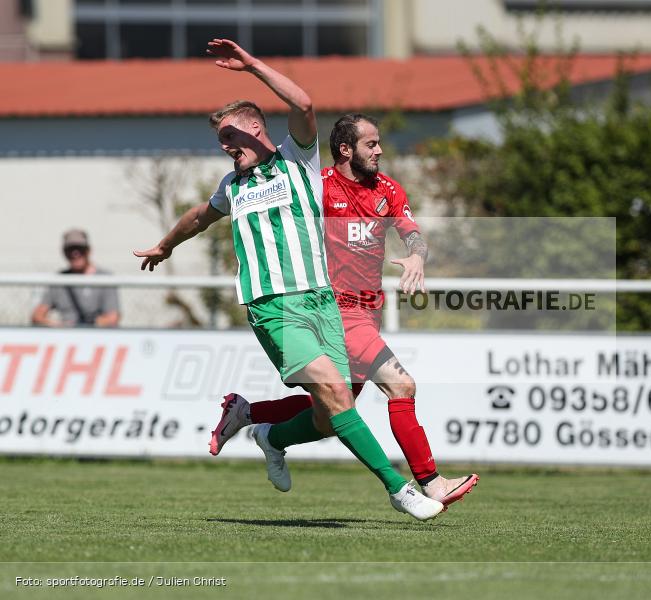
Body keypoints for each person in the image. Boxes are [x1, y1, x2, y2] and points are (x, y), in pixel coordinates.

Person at [133, 38, 444, 521]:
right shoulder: (232, 186)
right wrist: (166, 244)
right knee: (338, 395)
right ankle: (399, 489)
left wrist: (253, 66)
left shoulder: (297, 161)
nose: (223, 146)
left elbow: (303, 103)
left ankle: (267, 435)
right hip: (275, 305)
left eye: (230, 136)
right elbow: (199, 217)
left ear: (256, 129)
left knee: (326, 417)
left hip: (322, 303)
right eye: (220, 140)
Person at [208, 114, 479, 507]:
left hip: (367, 312)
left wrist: (417, 256)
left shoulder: (389, 190)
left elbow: (413, 235)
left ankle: (258, 422)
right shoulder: (317, 187)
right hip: (334, 310)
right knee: (401, 386)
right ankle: (431, 483)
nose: (380, 150)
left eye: (379, 142)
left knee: (330, 415)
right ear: (345, 149)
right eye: (371, 144)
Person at [32, 229, 120, 327]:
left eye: (80, 249)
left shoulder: (105, 279)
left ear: (89, 250)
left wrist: (87, 327)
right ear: (64, 252)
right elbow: (37, 316)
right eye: (70, 249)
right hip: (64, 338)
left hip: (96, 336)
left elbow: (113, 318)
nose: (75, 254)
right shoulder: (59, 280)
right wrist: (58, 325)